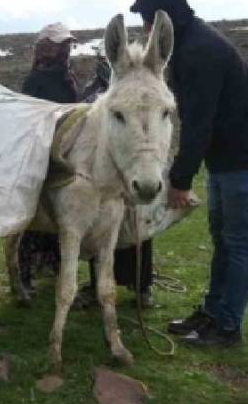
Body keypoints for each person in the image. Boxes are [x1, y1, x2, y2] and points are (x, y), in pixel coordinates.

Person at [130, 0, 248, 347]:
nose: (144, 29)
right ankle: (212, 313)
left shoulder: (199, 51)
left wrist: (180, 180)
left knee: (240, 242)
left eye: (148, 21)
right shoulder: (186, 44)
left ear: (162, 20)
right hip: (228, 159)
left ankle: (227, 326)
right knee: (223, 239)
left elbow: (199, 124)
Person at [78, 52, 155, 308]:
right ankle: (107, 285)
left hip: (132, 169)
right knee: (103, 232)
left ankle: (141, 284)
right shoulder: (96, 95)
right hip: (107, 174)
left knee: (135, 230)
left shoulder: (142, 93)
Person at [17, 22, 80, 294]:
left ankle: (53, 266)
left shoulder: (66, 76)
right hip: (40, 153)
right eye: (60, 44)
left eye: (67, 44)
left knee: (59, 211)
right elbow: (30, 118)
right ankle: (25, 274)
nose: (65, 49)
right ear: (47, 47)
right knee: (33, 214)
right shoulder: (36, 80)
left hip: (64, 152)